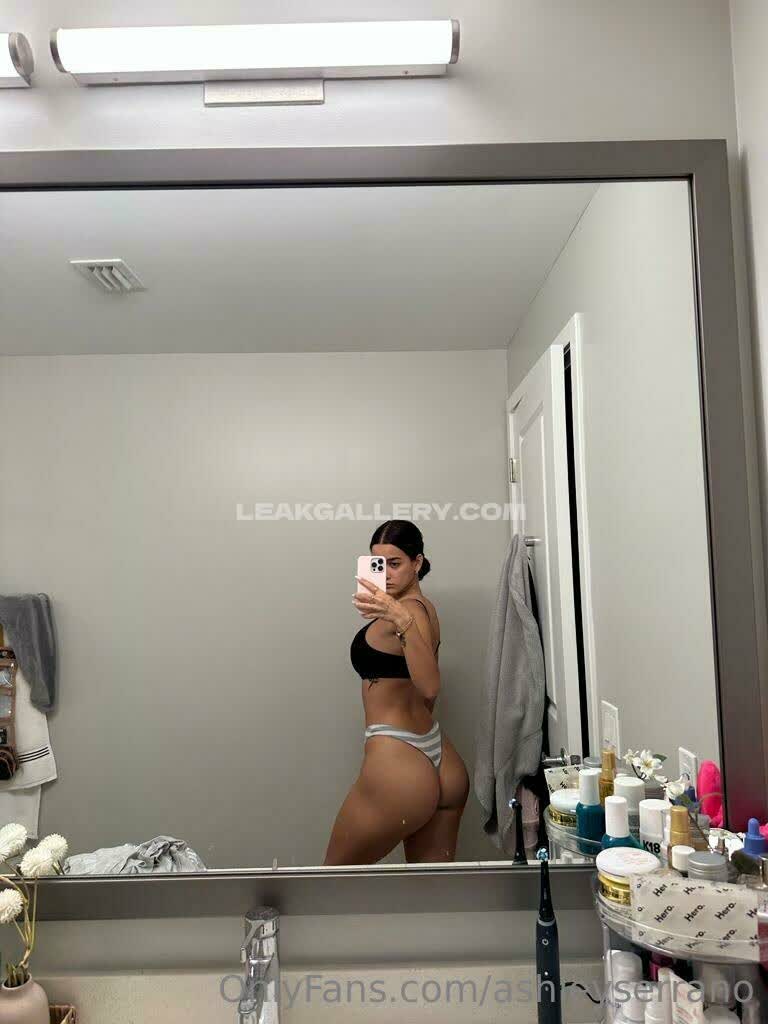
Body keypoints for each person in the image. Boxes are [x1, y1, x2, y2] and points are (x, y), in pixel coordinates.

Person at [323, 520, 469, 865]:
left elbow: (430, 685)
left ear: (417, 563)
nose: (386, 573)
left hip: (399, 763)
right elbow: (427, 697)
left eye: (395, 563)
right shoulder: (424, 607)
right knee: (430, 889)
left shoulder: (408, 613)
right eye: (379, 563)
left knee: (331, 881)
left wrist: (398, 618)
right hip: (440, 759)